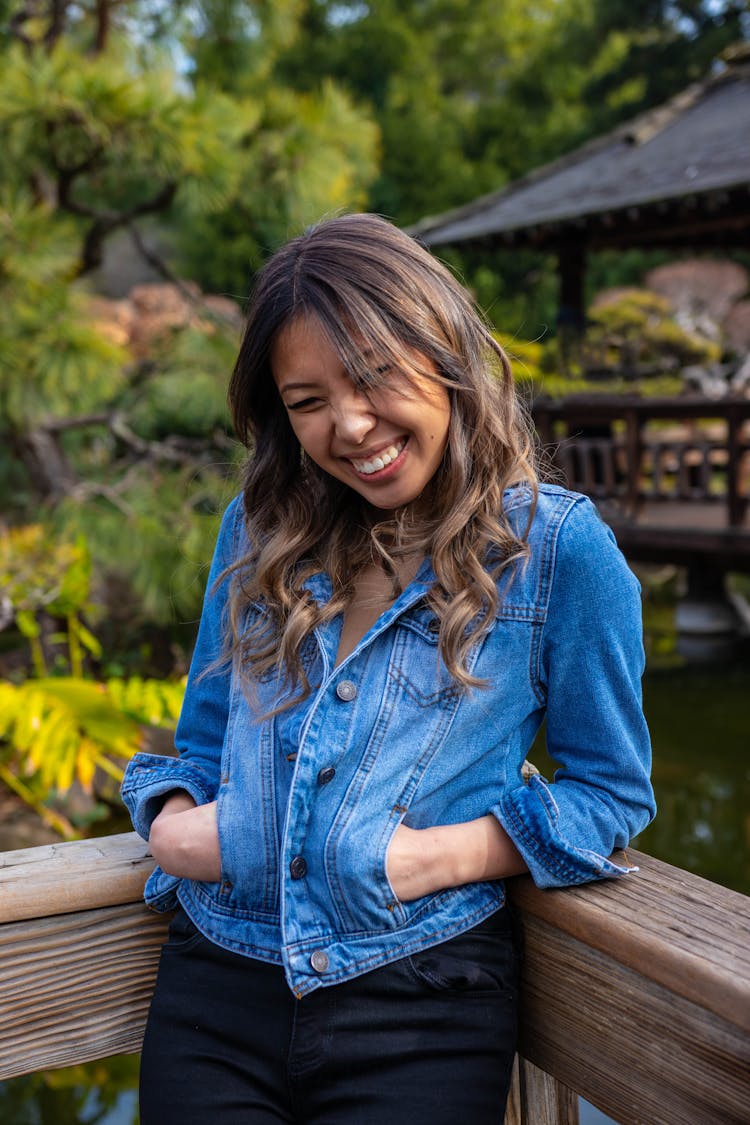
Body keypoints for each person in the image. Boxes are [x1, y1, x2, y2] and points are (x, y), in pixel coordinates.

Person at [121, 213, 655, 1125]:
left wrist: (423, 859)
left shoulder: (559, 552)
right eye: (307, 400)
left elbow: (612, 792)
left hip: (424, 995)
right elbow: (204, 742)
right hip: (218, 982)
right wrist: (172, 823)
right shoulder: (255, 530)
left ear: (443, 350)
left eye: (371, 376)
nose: (350, 423)